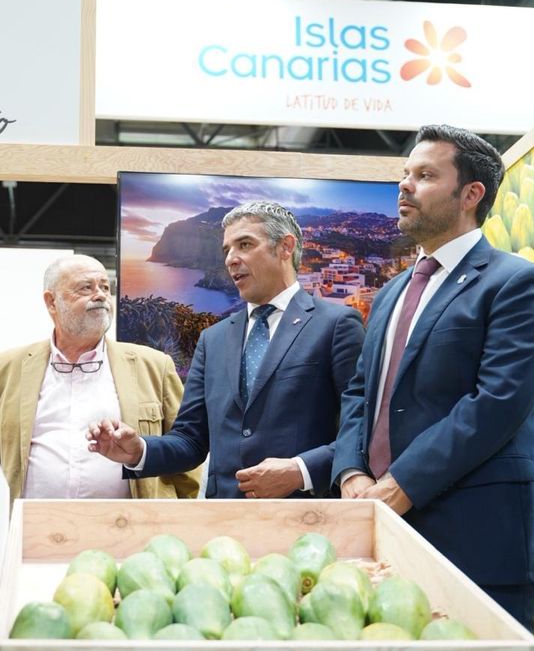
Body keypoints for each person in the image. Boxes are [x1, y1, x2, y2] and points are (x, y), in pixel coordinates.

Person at [330, 125, 534, 630]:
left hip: (482, 537)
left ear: (471, 194)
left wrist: (401, 484)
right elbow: (360, 392)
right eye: (404, 174)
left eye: (424, 175)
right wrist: (351, 473)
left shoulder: (518, 283)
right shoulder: (392, 292)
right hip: (384, 528)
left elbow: (497, 403)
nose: (404, 186)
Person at [88, 202, 364, 499]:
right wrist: (138, 451)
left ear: (285, 247)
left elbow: (360, 428)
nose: (231, 259)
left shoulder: (336, 324)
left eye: (245, 244)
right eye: (227, 250)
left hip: (307, 520)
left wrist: (301, 470)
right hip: (224, 524)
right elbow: (191, 441)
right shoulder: (213, 339)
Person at [0, 255, 198, 502]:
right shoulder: (4, 370)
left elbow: (186, 456)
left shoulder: (155, 366)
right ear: (51, 301)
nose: (100, 295)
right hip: (32, 531)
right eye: (86, 288)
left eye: (105, 288)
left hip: (133, 531)